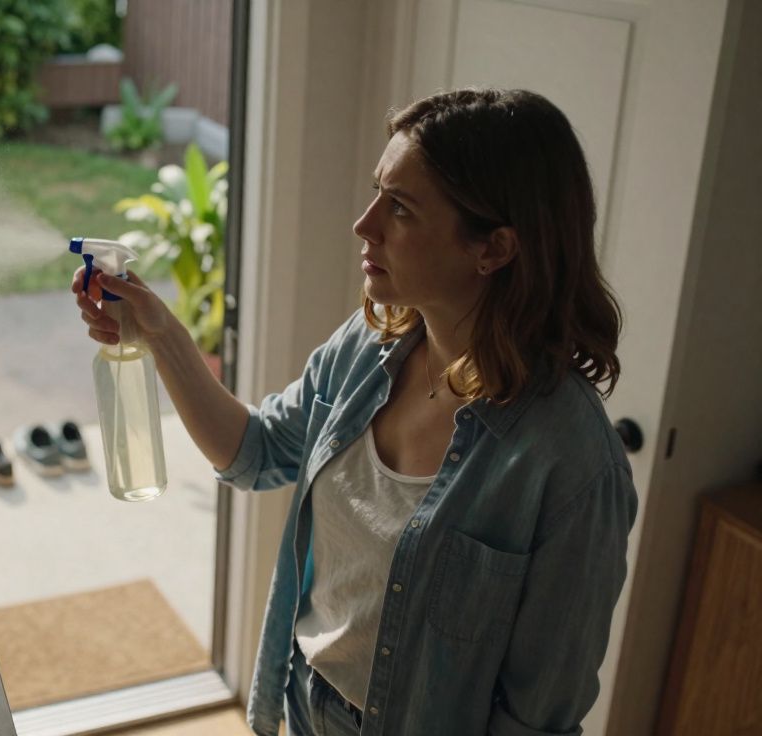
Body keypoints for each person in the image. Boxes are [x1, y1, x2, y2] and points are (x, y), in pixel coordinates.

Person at [71, 88, 637, 736]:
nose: (364, 225)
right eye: (377, 193)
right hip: (303, 701)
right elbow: (255, 452)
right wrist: (158, 330)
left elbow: (536, 718)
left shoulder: (571, 465)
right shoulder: (372, 346)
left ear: (494, 249)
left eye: (400, 208)